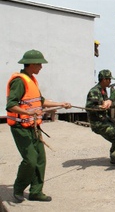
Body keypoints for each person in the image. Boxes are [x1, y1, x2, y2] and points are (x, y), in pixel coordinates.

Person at [6, 49, 72, 203]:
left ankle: (36, 191)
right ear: (32, 64)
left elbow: (41, 101)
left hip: (33, 127)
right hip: (21, 128)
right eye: (40, 64)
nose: (41, 67)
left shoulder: (32, 80)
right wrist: (28, 114)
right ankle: (18, 188)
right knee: (30, 160)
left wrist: (60, 103)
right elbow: (11, 105)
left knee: (40, 159)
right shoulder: (20, 81)